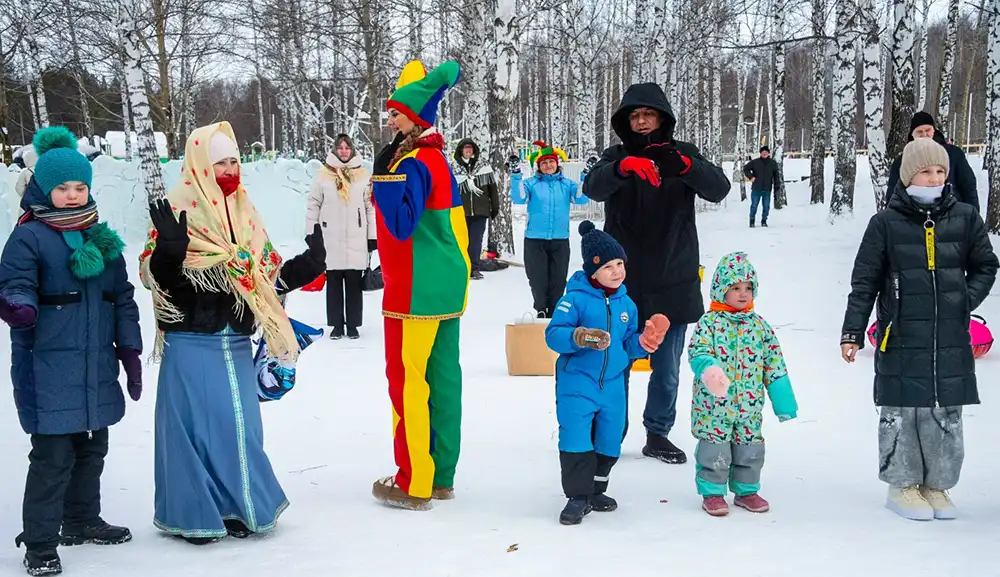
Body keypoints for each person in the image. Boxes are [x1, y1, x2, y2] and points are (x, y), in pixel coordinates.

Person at [139, 121, 326, 543]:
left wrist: (307, 266)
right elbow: (159, 281)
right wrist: (170, 251)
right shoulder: (178, 209)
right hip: (191, 341)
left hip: (235, 341)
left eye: (234, 161)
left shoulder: (244, 212)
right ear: (201, 165)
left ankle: (239, 507)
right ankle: (195, 514)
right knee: (191, 433)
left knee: (238, 428)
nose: (229, 169)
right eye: (220, 162)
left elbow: (264, 278)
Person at [0, 127, 141, 576]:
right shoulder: (29, 237)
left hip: (94, 362)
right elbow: (16, 282)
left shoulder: (100, 237)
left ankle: (80, 519)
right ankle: (40, 543)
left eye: (80, 187)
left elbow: (121, 296)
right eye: (62, 188)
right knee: (52, 455)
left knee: (92, 447)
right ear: (44, 187)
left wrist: (130, 349)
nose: (73, 195)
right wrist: (19, 308)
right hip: (48, 364)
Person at [840, 138, 998, 521]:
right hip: (901, 335)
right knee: (903, 411)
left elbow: (986, 265)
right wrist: (852, 332)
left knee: (945, 411)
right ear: (909, 175)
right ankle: (902, 484)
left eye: (940, 171)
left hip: (948, 336)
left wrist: (964, 299)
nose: (934, 178)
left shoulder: (964, 217)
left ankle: (937, 485)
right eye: (926, 171)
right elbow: (864, 282)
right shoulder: (884, 224)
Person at [582, 82, 730, 464]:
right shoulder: (613, 156)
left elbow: (719, 188)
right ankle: (611, 434)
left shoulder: (683, 155)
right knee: (616, 364)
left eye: (648, 114)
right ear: (625, 122)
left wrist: (684, 167)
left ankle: (658, 433)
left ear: (662, 118)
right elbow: (592, 188)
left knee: (666, 368)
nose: (642, 121)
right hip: (622, 283)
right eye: (634, 115)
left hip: (672, 277)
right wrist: (622, 168)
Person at [369, 60, 469, 511]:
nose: (390, 119)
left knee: (408, 380)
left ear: (414, 117)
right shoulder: (438, 158)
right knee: (444, 379)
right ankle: (442, 474)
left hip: (413, 291)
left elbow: (401, 224)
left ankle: (413, 479)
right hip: (447, 286)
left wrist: (383, 177)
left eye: (395, 113)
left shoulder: (411, 162)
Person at [545, 221, 668, 525]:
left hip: (612, 384)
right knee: (576, 438)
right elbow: (553, 334)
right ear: (593, 270)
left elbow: (627, 345)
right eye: (609, 266)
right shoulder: (573, 298)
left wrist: (644, 342)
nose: (617, 271)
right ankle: (577, 496)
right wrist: (579, 337)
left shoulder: (627, 303)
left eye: (620, 264)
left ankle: (597, 489)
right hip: (577, 382)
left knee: (610, 439)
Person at [687, 252, 797, 517]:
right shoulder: (709, 323)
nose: (743, 293)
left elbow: (774, 364)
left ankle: (746, 490)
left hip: (749, 406)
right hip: (714, 406)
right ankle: (712, 492)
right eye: (735, 288)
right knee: (715, 446)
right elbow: (698, 353)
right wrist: (710, 371)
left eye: (748, 288)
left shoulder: (760, 326)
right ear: (721, 289)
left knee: (750, 445)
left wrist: (783, 401)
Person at [306, 133, 376, 339]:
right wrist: (312, 232)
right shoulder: (323, 175)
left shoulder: (363, 175)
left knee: (354, 284)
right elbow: (313, 204)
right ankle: (337, 325)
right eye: (340, 148)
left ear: (352, 150)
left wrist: (373, 235)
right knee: (334, 283)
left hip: (356, 235)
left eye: (347, 148)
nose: (344, 151)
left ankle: (353, 325)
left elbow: (370, 207)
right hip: (330, 236)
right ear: (335, 150)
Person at [511, 141, 586, 318]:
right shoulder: (531, 184)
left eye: (551, 162)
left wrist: (585, 176)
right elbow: (519, 198)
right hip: (535, 239)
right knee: (538, 279)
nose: (548, 165)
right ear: (538, 166)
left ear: (557, 163)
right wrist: (515, 175)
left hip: (560, 239)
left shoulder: (567, 184)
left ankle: (555, 310)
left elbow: (581, 198)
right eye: (544, 163)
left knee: (558, 279)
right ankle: (542, 309)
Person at [886, 111, 979, 211]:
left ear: (933, 131)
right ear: (912, 135)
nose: (924, 134)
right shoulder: (902, 161)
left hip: (953, 215)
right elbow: (893, 193)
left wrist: (973, 216)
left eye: (928, 130)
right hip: (913, 217)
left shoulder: (954, 154)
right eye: (919, 132)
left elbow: (968, 186)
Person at [452, 138, 499, 280]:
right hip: (460, 211)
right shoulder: (453, 168)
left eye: (470, 148)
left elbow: (493, 189)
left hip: (480, 211)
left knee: (476, 241)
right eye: (465, 148)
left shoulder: (483, 167)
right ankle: (461, 268)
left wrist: (494, 208)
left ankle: (474, 268)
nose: (468, 151)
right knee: (461, 240)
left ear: (474, 151)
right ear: (460, 150)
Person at [742, 146, 778, 227]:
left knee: (766, 206)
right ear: (760, 153)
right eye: (763, 152)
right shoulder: (755, 162)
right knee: (754, 205)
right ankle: (752, 221)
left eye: (766, 152)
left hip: (767, 188)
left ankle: (764, 220)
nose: (764, 153)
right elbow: (746, 168)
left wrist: (777, 187)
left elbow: (776, 176)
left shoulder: (773, 163)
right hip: (756, 188)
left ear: (769, 153)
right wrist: (751, 177)